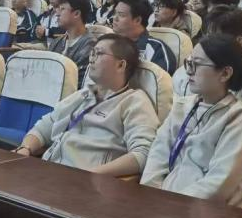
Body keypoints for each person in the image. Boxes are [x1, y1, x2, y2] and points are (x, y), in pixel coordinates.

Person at [141, 37, 242, 206]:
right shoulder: (182, 107)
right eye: (189, 63)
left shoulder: (240, 119)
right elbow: (157, 158)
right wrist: (151, 197)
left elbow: (218, 186)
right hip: (166, 205)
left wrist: (169, 206)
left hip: (212, 212)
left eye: (197, 64)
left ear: (225, 73)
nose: (189, 71)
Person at [14, 34, 157, 175]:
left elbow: (142, 154)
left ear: (120, 65)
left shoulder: (134, 101)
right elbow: (43, 127)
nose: (91, 59)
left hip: (87, 182)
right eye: (92, 53)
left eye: (98, 54)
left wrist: (91, 175)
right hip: (49, 172)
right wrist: (25, 148)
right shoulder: (83, 95)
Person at [111, 0, 176, 73]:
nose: (114, 18)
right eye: (115, 13)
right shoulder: (109, 43)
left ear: (137, 20)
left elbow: (161, 79)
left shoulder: (157, 49)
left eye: (121, 15)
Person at [48, 0, 95, 79]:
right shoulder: (56, 43)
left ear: (76, 14)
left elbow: (77, 80)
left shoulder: (90, 46)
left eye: (62, 9)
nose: (57, 13)